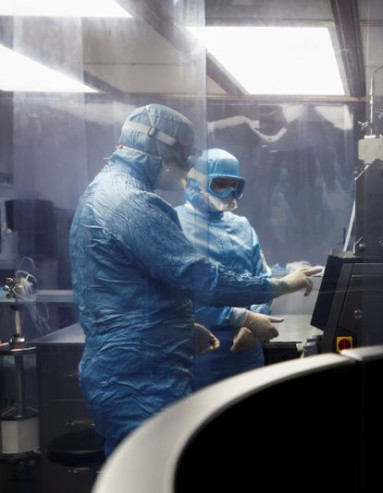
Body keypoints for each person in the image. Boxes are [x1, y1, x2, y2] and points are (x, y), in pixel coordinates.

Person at [69, 104, 318, 457]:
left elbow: (139, 291)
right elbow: (201, 279)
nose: (185, 165)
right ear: (157, 145)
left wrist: (182, 326)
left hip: (143, 367)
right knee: (151, 467)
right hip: (141, 377)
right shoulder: (132, 203)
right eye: (182, 155)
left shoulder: (107, 192)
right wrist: (281, 286)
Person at [175, 148, 282, 388]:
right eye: (220, 184)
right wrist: (241, 318)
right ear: (196, 182)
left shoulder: (243, 226)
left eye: (234, 185)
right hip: (199, 354)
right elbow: (176, 296)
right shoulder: (173, 224)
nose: (229, 191)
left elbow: (262, 278)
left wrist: (254, 322)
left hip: (246, 354)